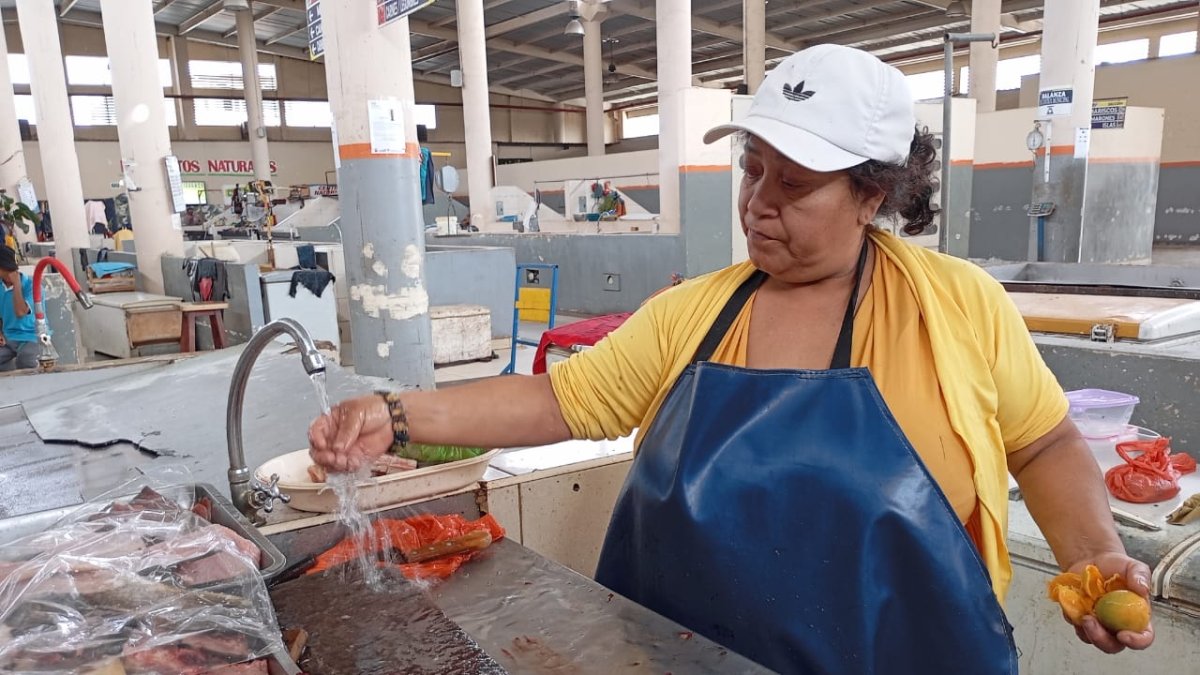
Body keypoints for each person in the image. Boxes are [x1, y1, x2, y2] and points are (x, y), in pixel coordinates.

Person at [309, 45, 1153, 672]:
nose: (758, 204)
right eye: (752, 170)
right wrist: (396, 414)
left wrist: (1090, 556)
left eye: (795, 184)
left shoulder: (956, 305)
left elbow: (1042, 441)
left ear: (874, 192)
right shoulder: (695, 311)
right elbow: (561, 402)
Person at [0, 245, 40, 372]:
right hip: (8, 338)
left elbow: (20, 312)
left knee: (26, 360)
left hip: (31, 337)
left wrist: (16, 284)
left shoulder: (31, 286)